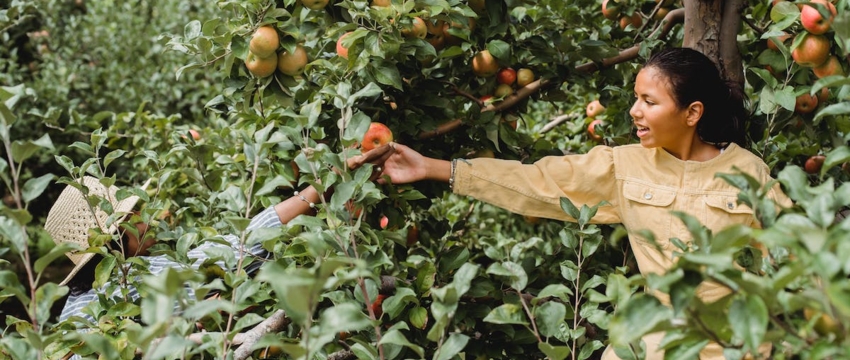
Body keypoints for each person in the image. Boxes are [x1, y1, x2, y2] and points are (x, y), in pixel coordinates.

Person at [377, 48, 791, 359]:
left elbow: (795, 261)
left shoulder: (748, 174)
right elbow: (537, 181)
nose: (634, 111)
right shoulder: (623, 165)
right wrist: (433, 167)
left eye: (649, 101)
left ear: (692, 112)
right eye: (636, 98)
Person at [48, 145, 393, 329]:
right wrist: (316, 188)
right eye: (135, 217)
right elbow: (239, 248)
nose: (147, 221)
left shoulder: (70, 316)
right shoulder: (136, 280)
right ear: (114, 239)